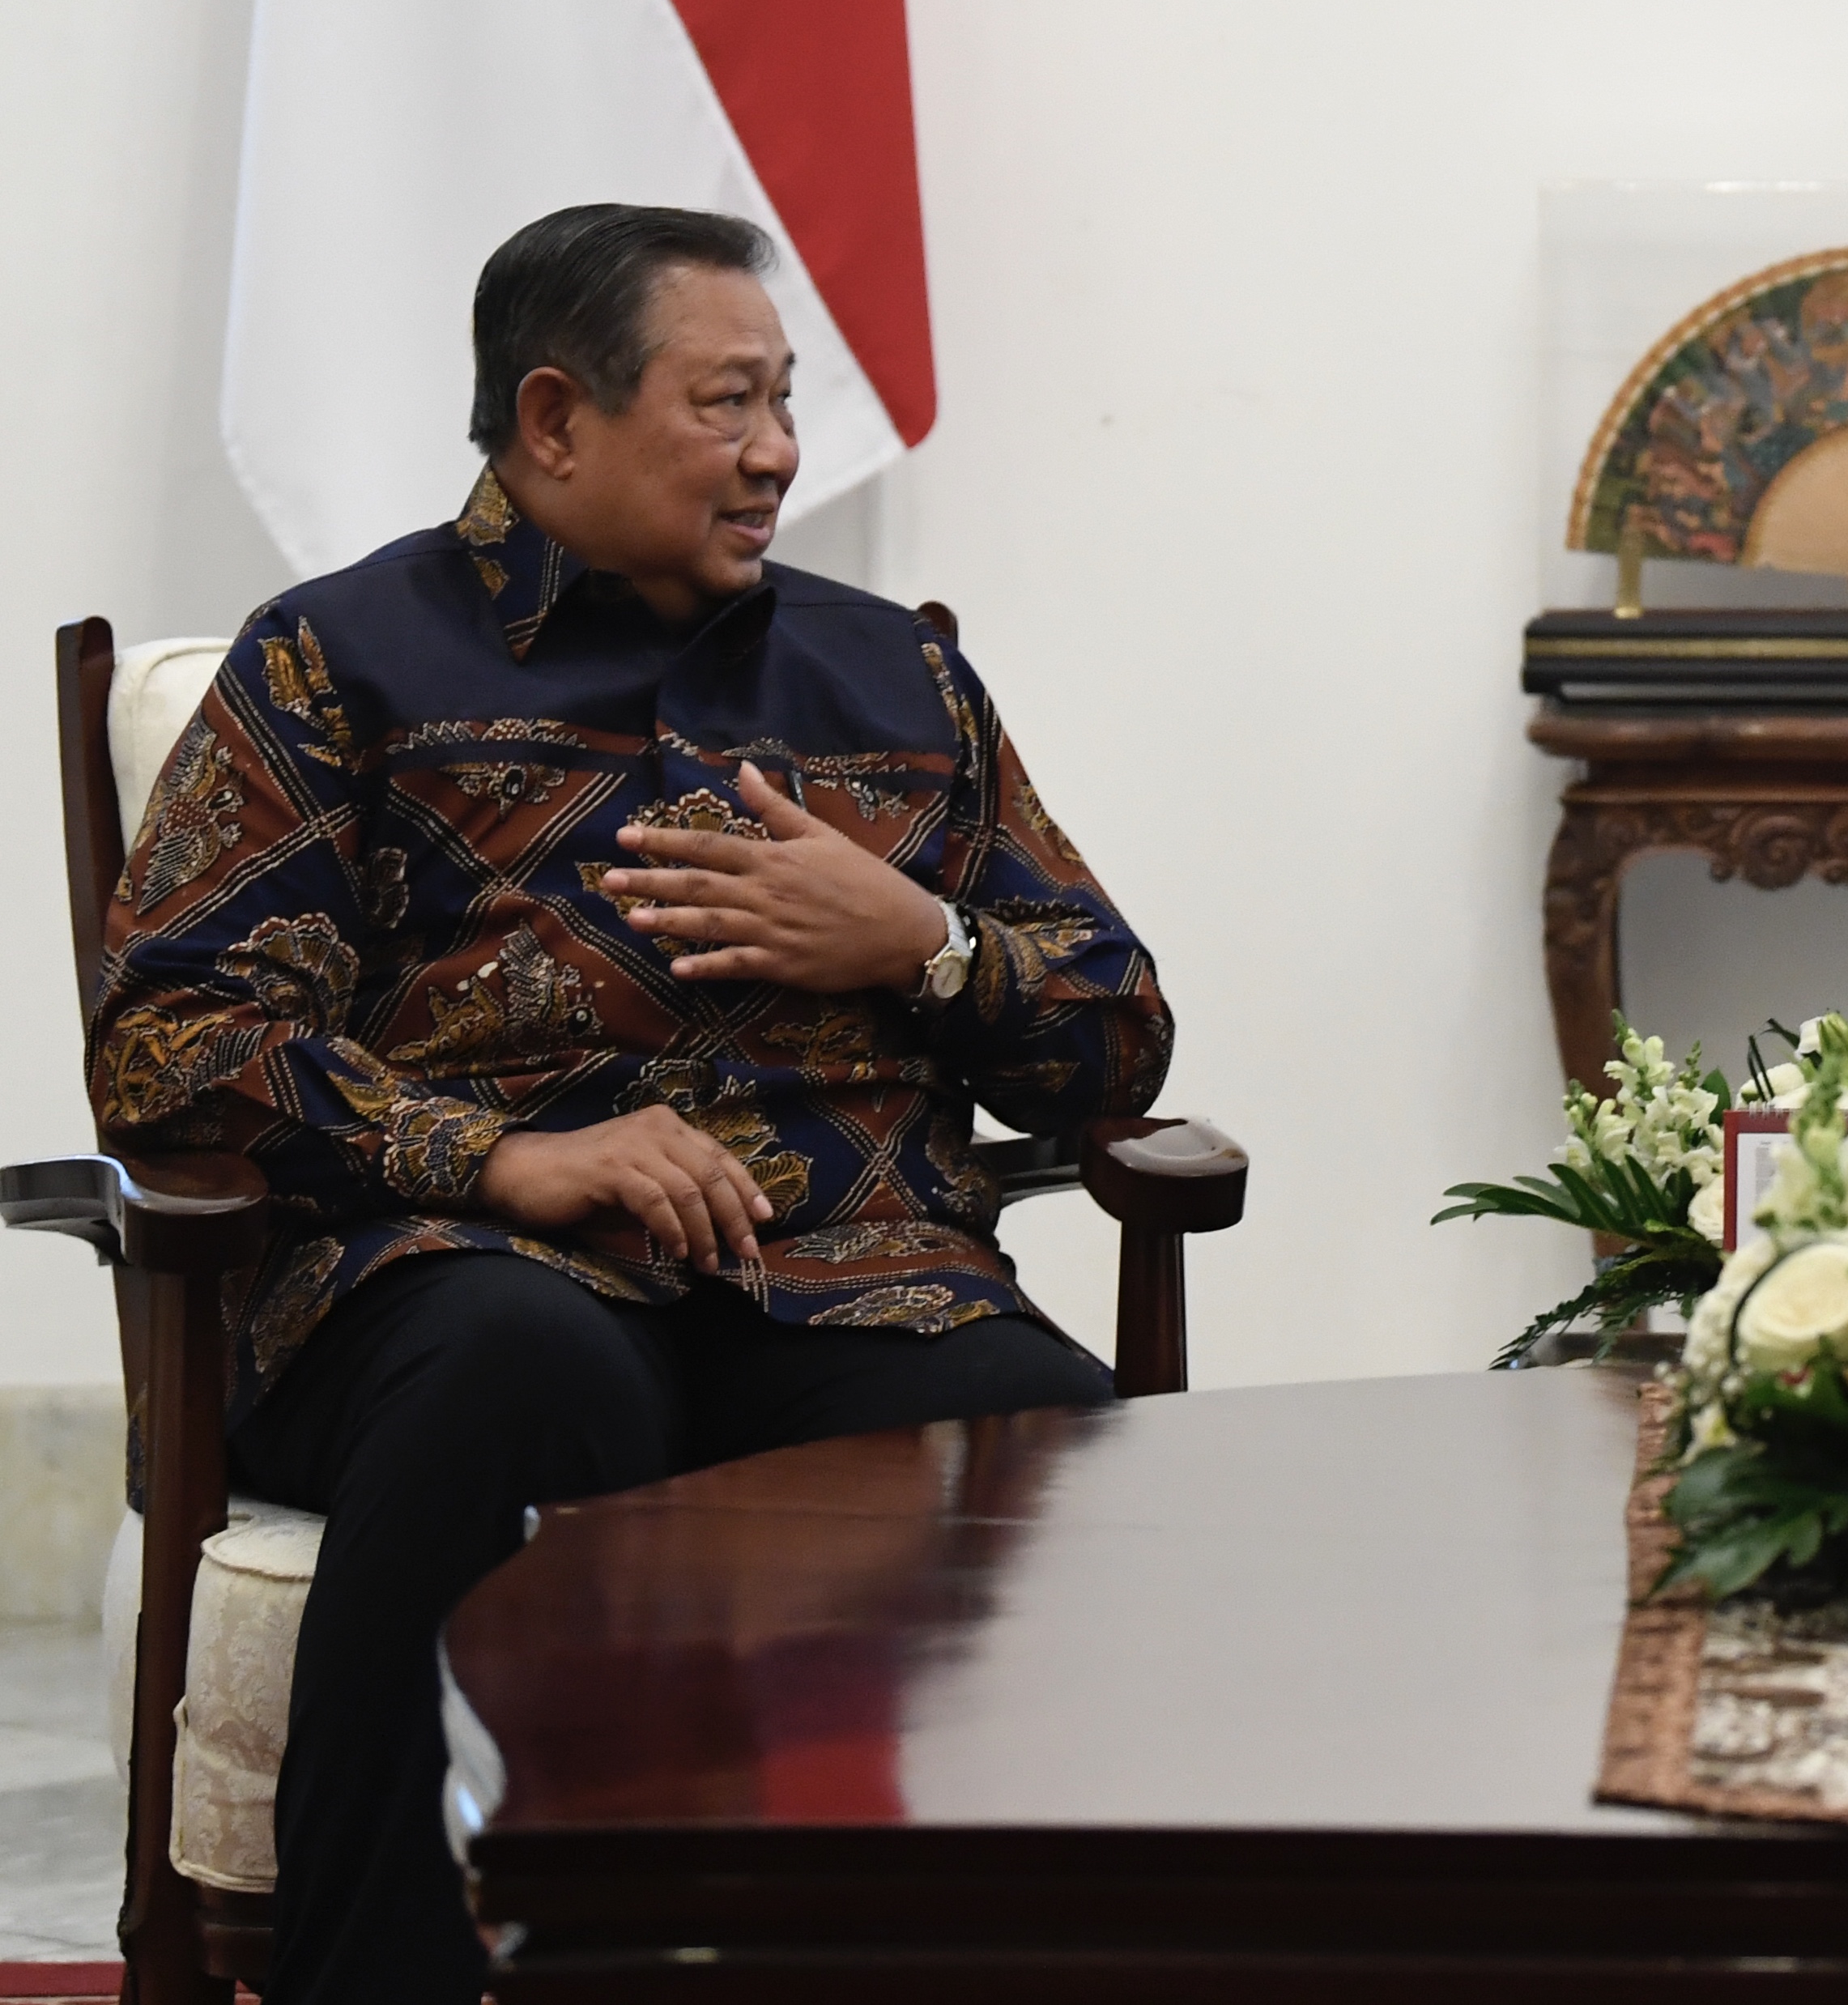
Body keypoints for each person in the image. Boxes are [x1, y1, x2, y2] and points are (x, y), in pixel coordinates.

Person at [87, 205, 1174, 2005]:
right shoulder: (335, 660)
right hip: (447, 1277)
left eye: (782, 400)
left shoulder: (894, 676)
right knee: (531, 1363)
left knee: (1038, 1422)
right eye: (723, 400)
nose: (775, 452)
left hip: (843, 1280)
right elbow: (173, 1032)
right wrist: (496, 1155)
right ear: (552, 419)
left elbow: (1113, 1037)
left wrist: (922, 942)